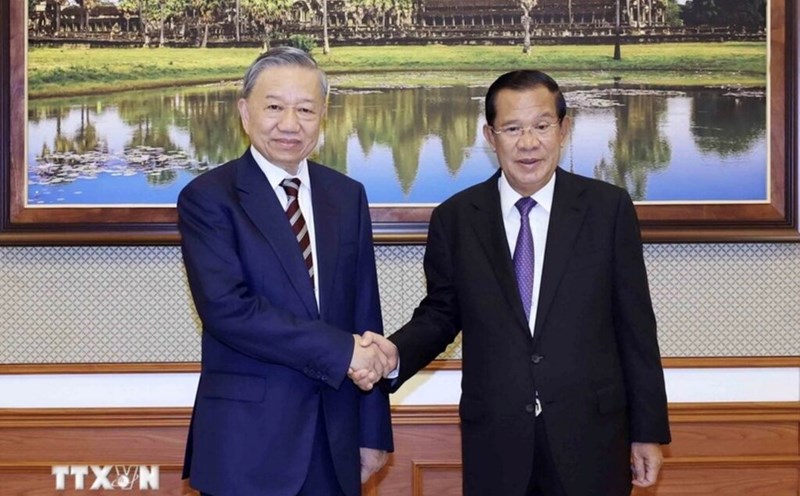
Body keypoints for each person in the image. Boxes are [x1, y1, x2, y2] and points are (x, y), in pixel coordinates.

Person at [352, 70, 671, 496]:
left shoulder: (607, 209)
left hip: (592, 438)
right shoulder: (457, 218)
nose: (528, 142)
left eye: (542, 126)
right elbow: (441, 315)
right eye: (512, 128)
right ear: (490, 135)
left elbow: (635, 327)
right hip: (497, 441)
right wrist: (393, 355)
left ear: (564, 129)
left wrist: (647, 431)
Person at [178, 46, 395, 496]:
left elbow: (364, 312)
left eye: (305, 109)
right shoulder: (209, 197)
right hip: (247, 446)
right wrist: (342, 352)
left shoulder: (347, 195)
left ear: (324, 115)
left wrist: (373, 433)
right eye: (274, 107)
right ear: (244, 110)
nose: (290, 124)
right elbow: (228, 310)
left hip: (335, 441)